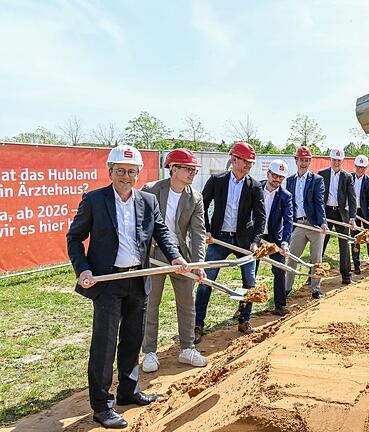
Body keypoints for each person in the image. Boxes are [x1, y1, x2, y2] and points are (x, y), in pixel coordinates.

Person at [67, 145, 189, 429]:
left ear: (138, 174)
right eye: (120, 170)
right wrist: (83, 269)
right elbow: (74, 238)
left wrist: (175, 256)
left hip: (138, 278)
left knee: (133, 339)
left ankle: (128, 391)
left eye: (131, 171)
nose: (125, 176)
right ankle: (101, 406)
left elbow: (162, 233)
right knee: (104, 345)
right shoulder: (94, 200)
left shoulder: (147, 201)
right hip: (108, 282)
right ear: (110, 171)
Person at [141, 149, 208, 374]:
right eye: (187, 169)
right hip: (154, 254)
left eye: (194, 170)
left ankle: (187, 348)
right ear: (173, 169)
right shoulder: (150, 191)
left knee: (187, 304)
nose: (192, 173)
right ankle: (149, 351)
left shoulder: (195, 197)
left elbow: (198, 233)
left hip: (182, 256)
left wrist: (198, 264)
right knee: (151, 303)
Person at [194, 142, 266, 338]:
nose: (249, 165)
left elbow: (260, 217)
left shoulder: (255, 186)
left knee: (248, 283)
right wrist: (207, 231)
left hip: (244, 241)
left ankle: (243, 320)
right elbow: (201, 207)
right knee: (206, 280)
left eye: (251, 162)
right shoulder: (217, 181)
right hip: (219, 239)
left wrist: (256, 241)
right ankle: (198, 324)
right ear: (234, 160)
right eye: (246, 161)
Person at [235, 159, 293, 318]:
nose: (277, 180)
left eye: (281, 177)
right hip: (255, 238)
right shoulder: (255, 188)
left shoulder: (286, 196)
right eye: (275, 175)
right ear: (268, 174)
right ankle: (242, 307)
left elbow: (288, 221)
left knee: (280, 270)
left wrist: (285, 242)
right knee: (249, 273)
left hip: (275, 240)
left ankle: (280, 305)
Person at [285, 146, 329, 299]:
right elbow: (288, 204)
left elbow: (319, 202)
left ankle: (316, 289)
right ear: (296, 160)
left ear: (310, 161)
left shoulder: (317, 180)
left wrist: (323, 222)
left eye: (306, 160)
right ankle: (286, 288)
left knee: (317, 259)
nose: (303, 163)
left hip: (314, 224)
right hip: (298, 225)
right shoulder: (290, 180)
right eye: (301, 160)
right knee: (292, 257)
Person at [319, 148, 357, 284]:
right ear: (330, 160)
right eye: (334, 160)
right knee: (320, 244)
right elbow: (317, 197)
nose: (336, 163)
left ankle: (346, 276)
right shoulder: (322, 174)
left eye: (339, 161)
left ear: (342, 161)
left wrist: (352, 217)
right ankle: (312, 276)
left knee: (344, 245)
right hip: (326, 213)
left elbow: (352, 199)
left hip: (341, 214)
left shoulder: (347, 177)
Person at [351, 155, 369, 275]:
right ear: (355, 166)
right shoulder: (349, 178)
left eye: (362, 167)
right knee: (355, 238)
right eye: (358, 167)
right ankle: (356, 265)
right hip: (353, 212)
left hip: (366, 213)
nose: (360, 170)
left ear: (366, 168)